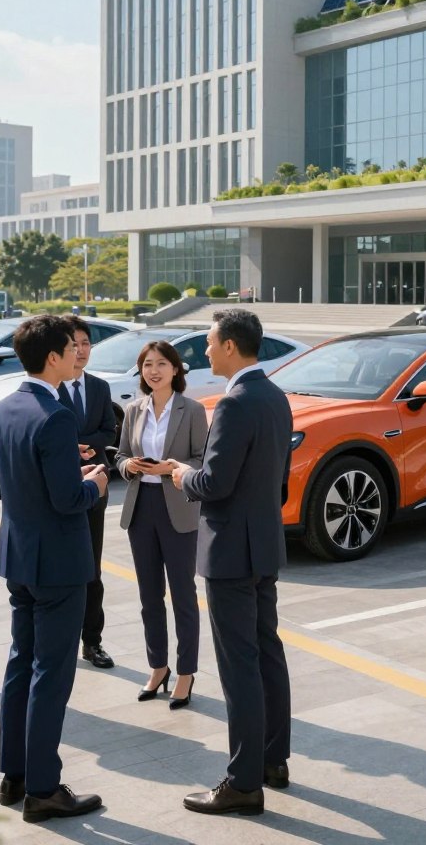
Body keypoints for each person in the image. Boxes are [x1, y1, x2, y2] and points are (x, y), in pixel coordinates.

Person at [169, 309, 292, 818]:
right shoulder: (275, 396)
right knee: (267, 654)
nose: (206, 349)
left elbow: (215, 483)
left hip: (231, 554)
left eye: (211, 342)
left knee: (239, 665)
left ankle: (242, 783)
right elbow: (276, 479)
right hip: (263, 544)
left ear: (232, 346)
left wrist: (182, 476)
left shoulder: (235, 403)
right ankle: (272, 761)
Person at [0, 315, 108, 823]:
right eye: (70, 349)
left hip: (19, 554)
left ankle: (14, 775)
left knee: (22, 662)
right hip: (57, 561)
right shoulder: (55, 415)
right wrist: (94, 484)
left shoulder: (3, 407)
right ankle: (42, 788)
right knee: (50, 674)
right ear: (52, 358)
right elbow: (66, 499)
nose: (77, 356)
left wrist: (63, 474)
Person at [116, 340, 208, 710]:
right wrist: (129, 467)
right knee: (149, 596)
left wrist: (171, 467)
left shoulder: (193, 410)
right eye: (147, 365)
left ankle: (186, 673)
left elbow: (202, 458)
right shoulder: (133, 409)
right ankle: (158, 666)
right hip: (142, 507)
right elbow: (120, 455)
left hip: (178, 506)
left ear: (175, 369)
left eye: (161, 364)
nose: (153, 371)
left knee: (183, 595)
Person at [59, 316, 117, 670]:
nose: (80, 351)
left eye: (85, 344)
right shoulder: (52, 387)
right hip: (63, 487)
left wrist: (82, 444)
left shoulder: (99, 387)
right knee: (63, 566)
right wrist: (71, 447)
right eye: (73, 344)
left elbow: (109, 431)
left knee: (92, 566)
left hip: (95, 483)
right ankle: (62, 637)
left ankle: (92, 641)